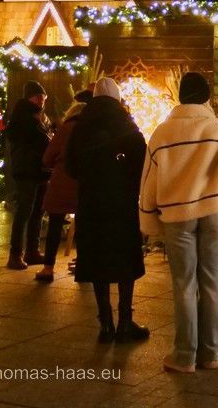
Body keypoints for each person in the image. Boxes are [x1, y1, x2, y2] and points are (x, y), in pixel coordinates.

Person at [140, 72, 218, 374]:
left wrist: (148, 220)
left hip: (177, 216)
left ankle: (185, 355)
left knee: (184, 285)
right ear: (206, 97)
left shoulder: (161, 133)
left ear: (179, 96)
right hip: (214, 211)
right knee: (213, 283)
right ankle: (211, 354)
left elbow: (148, 182)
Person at [65, 77, 148, 343]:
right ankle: (125, 321)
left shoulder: (81, 125)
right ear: (116, 97)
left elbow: (70, 166)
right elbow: (142, 160)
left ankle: (105, 324)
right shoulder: (125, 123)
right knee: (125, 259)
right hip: (121, 203)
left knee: (96, 259)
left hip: (90, 202)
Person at [34, 97, 87, 282]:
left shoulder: (66, 129)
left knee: (55, 225)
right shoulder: (91, 129)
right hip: (83, 184)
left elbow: (48, 157)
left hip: (61, 181)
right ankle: (83, 264)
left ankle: (48, 268)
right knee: (84, 225)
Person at [5, 80, 51, 269]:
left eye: (43, 97)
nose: (41, 100)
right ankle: (16, 254)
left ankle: (32, 250)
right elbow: (36, 140)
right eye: (38, 97)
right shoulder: (25, 115)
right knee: (25, 210)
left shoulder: (38, 116)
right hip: (27, 170)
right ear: (30, 97)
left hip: (39, 171)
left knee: (37, 211)